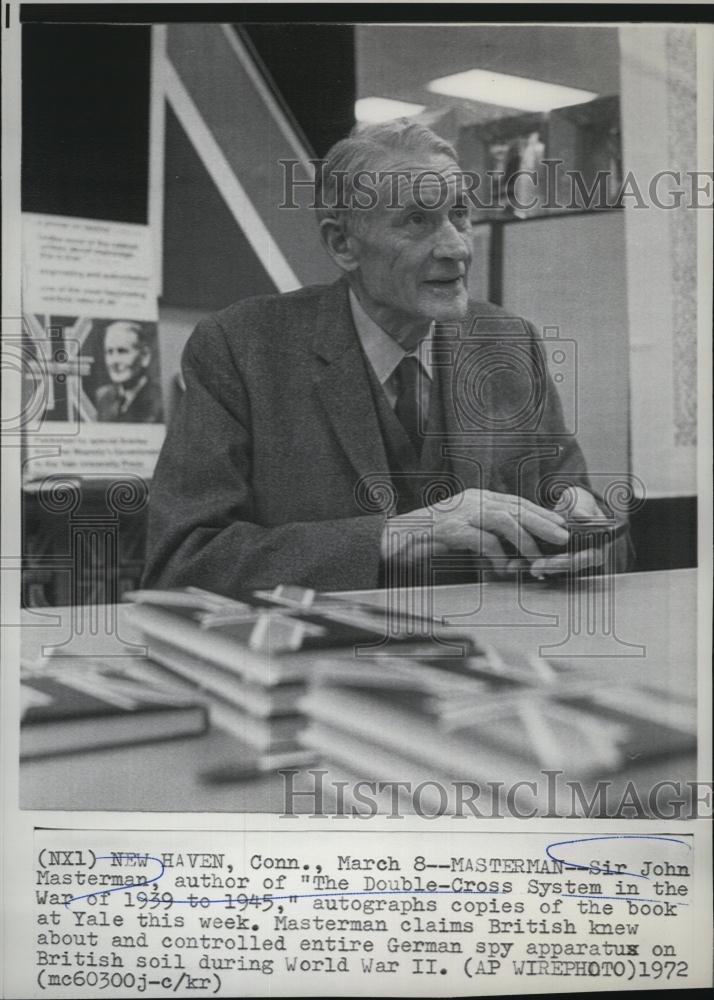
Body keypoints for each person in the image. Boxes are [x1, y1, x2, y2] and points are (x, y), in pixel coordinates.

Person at [142, 120, 630, 596]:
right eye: (417, 221)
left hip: (491, 659)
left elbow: (595, 526)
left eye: (459, 213)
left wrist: (584, 532)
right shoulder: (241, 349)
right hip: (321, 665)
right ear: (342, 244)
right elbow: (182, 563)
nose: (456, 247)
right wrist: (389, 537)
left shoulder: (507, 344)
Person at [95, 320, 164, 423]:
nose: (114, 361)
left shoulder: (159, 401)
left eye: (122, 351)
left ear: (145, 356)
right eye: (109, 352)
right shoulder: (103, 397)